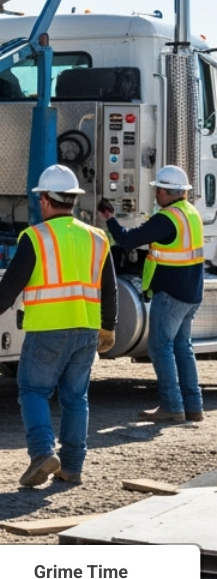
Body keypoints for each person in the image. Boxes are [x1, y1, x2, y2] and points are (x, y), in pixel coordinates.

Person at [0, 165, 117, 487]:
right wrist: (107, 327)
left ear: (44, 200)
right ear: (72, 200)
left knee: (33, 391)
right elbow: (108, 287)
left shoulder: (35, 237)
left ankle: (43, 453)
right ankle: (72, 467)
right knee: (75, 398)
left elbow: (13, 282)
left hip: (47, 330)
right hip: (85, 329)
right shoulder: (98, 237)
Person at [98, 165, 206, 425]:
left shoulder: (167, 218)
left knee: (160, 347)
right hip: (191, 293)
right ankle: (194, 406)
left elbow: (126, 240)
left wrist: (109, 219)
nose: (156, 194)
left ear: (168, 192)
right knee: (183, 348)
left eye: (158, 190)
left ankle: (172, 406)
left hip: (171, 295)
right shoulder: (190, 213)